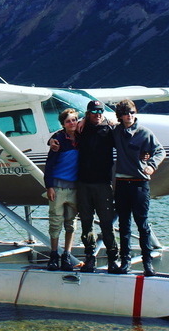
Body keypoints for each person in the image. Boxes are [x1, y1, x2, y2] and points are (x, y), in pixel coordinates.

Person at [112, 99, 165, 276]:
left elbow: (160, 151)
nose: (130, 115)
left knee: (142, 225)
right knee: (124, 225)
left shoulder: (144, 133)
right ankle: (125, 262)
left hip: (139, 184)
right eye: (126, 112)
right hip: (121, 184)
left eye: (132, 112)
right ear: (120, 115)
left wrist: (152, 165)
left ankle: (147, 264)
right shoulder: (116, 132)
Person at [75, 100, 120, 273]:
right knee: (86, 223)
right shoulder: (81, 128)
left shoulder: (109, 130)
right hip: (83, 184)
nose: (98, 114)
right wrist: (52, 142)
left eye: (100, 111)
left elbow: (128, 137)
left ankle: (112, 259)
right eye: (94, 111)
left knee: (107, 224)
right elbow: (61, 133)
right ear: (87, 113)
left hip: (103, 184)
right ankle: (90, 258)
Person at [43, 108, 81, 271]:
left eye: (74, 120)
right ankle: (53, 254)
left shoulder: (82, 137)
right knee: (55, 222)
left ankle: (67, 254)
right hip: (58, 187)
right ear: (63, 125)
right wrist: (49, 186)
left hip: (75, 188)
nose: (72, 123)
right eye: (68, 121)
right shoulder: (58, 140)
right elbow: (49, 165)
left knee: (71, 223)